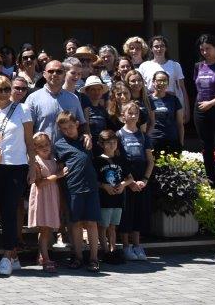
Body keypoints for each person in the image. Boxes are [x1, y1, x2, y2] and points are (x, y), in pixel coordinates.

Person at [0, 75, 34, 276]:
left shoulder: (22, 109)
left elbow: (29, 141)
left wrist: (32, 166)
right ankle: (13, 257)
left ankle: (7, 255)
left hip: (17, 165)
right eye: (0, 89)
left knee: (11, 210)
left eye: (7, 88)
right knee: (2, 211)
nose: (4, 93)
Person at [52, 112, 100, 271]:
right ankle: (78, 256)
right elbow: (59, 166)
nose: (68, 131)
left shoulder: (86, 139)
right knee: (76, 223)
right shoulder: (59, 144)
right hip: (73, 187)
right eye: (64, 129)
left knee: (92, 223)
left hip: (91, 187)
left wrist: (88, 136)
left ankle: (94, 258)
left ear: (77, 124)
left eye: (71, 127)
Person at [116, 102, 155, 262]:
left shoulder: (144, 136)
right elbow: (119, 160)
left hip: (141, 181)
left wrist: (144, 180)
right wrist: (130, 181)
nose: (133, 116)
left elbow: (150, 161)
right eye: (130, 113)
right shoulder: (118, 135)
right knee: (126, 213)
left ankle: (137, 245)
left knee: (139, 213)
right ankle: (126, 246)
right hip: (126, 180)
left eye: (136, 113)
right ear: (122, 116)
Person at [26, 61, 88, 147]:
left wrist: (86, 134)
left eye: (59, 72)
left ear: (64, 75)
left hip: (70, 152)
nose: (55, 74)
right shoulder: (33, 99)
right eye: (51, 71)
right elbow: (27, 129)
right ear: (44, 74)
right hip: (44, 152)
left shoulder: (73, 98)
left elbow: (82, 124)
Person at [27, 133, 62, 272]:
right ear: (35, 148)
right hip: (42, 197)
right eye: (40, 146)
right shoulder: (35, 161)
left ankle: (42, 256)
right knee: (44, 229)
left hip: (52, 196)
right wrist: (58, 175)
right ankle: (45, 259)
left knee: (47, 229)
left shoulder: (53, 159)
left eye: (46, 144)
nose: (44, 148)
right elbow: (39, 183)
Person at [94, 130, 128, 265]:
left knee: (113, 226)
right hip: (104, 199)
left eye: (114, 142)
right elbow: (93, 180)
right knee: (103, 226)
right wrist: (104, 186)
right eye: (108, 143)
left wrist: (123, 185)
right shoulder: (97, 160)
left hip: (117, 199)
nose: (112, 145)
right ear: (102, 144)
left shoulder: (121, 159)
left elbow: (130, 178)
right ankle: (105, 251)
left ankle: (113, 250)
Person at [139, 35, 188, 123]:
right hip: (151, 103)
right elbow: (141, 88)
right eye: (156, 46)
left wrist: (186, 109)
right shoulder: (144, 66)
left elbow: (182, 88)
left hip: (171, 104)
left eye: (162, 46)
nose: (159, 49)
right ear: (151, 49)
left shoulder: (175, 65)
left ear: (166, 48)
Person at [149, 71, 185, 154]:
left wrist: (181, 142)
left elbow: (180, 124)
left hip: (172, 139)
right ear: (153, 82)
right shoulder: (147, 100)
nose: (161, 83)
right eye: (159, 80)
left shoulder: (174, 99)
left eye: (164, 81)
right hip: (154, 140)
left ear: (168, 83)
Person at [78, 76, 110, 143]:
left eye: (99, 89)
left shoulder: (103, 110)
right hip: (88, 144)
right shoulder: (82, 109)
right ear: (87, 92)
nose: (96, 92)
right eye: (93, 89)